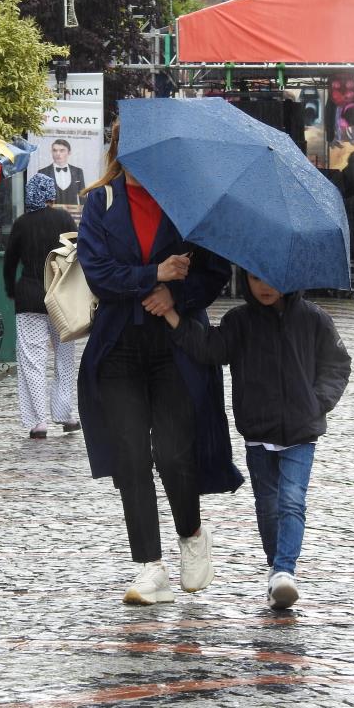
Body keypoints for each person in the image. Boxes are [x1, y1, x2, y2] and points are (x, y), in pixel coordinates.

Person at [76, 118, 242, 606]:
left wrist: (174, 293)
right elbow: (98, 274)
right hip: (118, 345)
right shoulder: (100, 203)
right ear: (121, 151)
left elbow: (214, 273)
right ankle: (150, 566)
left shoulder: (187, 205)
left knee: (173, 452)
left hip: (175, 346)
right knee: (130, 456)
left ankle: (191, 534)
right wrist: (153, 273)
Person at [155, 271, 351, 610]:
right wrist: (173, 316)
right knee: (268, 505)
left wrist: (317, 402)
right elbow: (208, 348)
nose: (266, 286)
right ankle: (276, 568)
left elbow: (337, 364)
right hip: (258, 432)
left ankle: (285, 571)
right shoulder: (239, 322)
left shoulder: (313, 319)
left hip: (301, 433)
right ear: (245, 279)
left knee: (291, 500)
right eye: (256, 278)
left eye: (273, 278)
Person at [3, 173, 81, 439]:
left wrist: (11, 290)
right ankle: (65, 415)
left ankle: (38, 422)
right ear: (51, 194)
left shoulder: (22, 223)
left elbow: (10, 262)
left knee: (32, 360)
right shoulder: (64, 218)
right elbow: (76, 254)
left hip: (29, 298)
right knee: (65, 358)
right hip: (61, 299)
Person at [38, 139, 86, 206]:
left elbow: (82, 196)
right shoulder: (42, 172)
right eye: (55, 150)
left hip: (72, 214)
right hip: (50, 214)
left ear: (69, 152)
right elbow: (40, 197)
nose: (58, 153)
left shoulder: (78, 171)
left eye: (62, 150)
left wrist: (84, 213)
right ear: (51, 152)